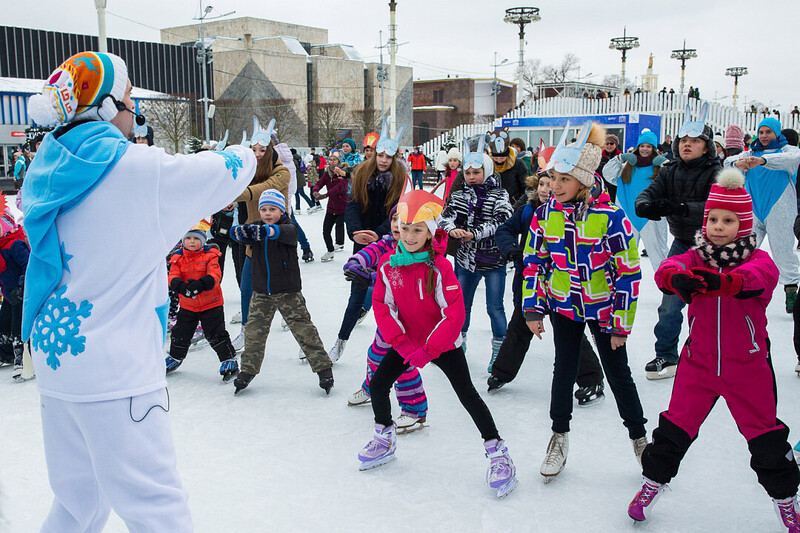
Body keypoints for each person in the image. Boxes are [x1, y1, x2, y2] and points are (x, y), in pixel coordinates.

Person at [23, 51, 256, 532]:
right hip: (115, 369)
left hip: (57, 358)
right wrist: (253, 152)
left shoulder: (45, 170)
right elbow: (225, 172)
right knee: (157, 508)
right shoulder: (133, 169)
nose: (134, 110)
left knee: (77, 502)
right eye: (129, 98)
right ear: (106, 107)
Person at [628, 169, 800, 530]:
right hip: (699, 365)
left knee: (765, 436)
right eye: (713, 219)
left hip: (747, 367)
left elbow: (756, 281)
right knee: (674, 428)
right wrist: (674, 277)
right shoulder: (696, 256)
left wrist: (724, 283)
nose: (719, 226)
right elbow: (669, 268)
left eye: (728, 220)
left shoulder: (759, 261)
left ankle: (786, 499)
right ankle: (652, 483)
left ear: (744, 224)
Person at [358, 179, 518, 499]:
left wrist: (429, 349)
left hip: (442, 344)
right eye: (405, 228)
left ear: (431, 232)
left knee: (467, 395)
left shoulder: (441, 267)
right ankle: (385, 436)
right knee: (377, 385)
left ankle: (498, 453)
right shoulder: (390, 267)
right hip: (407, 342)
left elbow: (454, 314)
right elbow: (383, 307)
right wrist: (404, 345)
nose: (409, 236)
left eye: (418, 230)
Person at [524, 121, 647, 483]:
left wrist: (620, 324)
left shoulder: (610, 217)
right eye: (553, 178)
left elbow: (628, 272)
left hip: (605, 309)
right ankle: (558, 436)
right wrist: (533, 307)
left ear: (585, 180)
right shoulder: (545, 215)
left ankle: (640, 439)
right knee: (564, 369)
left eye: (564, 179)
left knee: (618, 373)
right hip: (564, 305)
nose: (555, 186)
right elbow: (534, 261)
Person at [489, 169, 605, 404]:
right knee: (520, 325)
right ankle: (501, 372)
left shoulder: (568, 211)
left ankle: (592, 379)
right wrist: (512, 250)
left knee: (570, 334)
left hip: (562, 284)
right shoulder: (527, 209)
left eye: (549, 183)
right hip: (531, 280)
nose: (545, 189)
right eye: (541, 184)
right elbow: (503, 231)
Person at [635, 103, 720, 380]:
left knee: (710, 305)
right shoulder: (670, 170)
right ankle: (666, 355)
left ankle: (711, 357)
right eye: (683, 140)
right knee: (670, 301)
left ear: (706, 147)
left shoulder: (716, 172)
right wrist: (646, 205)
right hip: (683, 243)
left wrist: (681, 207)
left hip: (715, 248)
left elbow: (716, 206)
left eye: (694, 141)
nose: (687, 145)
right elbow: (648, 193)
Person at [230, 189, 334, 395]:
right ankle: (248, 370)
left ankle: (323, 369)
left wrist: (269, 232)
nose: (268, 213)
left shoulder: (289, 227)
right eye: (264, 209)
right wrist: (239, 232)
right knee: (254, 333)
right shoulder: (257, 227)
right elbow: (239, 233)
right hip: (261, 292)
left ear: (282, 210)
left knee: (304, 330)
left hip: (288, 291)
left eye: (273, 209)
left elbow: (284, 233)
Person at [344, 206, 429, 433]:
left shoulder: (416, 251)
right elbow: (370, 251)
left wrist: (371, 276)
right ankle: (372, 387)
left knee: (402, 364)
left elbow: (397, 274)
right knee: (375, 356)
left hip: (411, 320)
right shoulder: (386, 243)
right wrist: (355, 262)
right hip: (388, 318)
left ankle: (415, 410)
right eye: (393, 219)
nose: (395, 224)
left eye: (401, 221)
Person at [331, 121, 406, 362]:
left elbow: (399, 212)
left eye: (388, 156)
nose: (383, 160)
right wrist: (355, 232)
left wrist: (381, 233)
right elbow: (352, 205)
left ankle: (395, 350)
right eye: (380, 154)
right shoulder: (362, 172)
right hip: (362, 241)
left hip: (389, 242)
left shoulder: (400, 178)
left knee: (391, 299)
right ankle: (341, 341)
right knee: (356, 296)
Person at [439, 135, 512, 369]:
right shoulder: (459, 195)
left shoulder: (499, 195)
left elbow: (502, 219)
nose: (471, 177)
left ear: (487, 171)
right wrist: (453, 230)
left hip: (493, 260)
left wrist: (474, 233)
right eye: (468, 173)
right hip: (466, 260)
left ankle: (500, 350)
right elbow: (445, 216)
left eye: (476, 172)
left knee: (495, 306)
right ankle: (458, 344)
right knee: (461, 304)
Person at [726, 117, 800, 313]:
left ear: (777, 133)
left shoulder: (787, 151)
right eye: (761, 132)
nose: (764, 136)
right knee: (745, 249)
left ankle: (791, 287)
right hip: (753, 208)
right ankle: (742, 284)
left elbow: (793, 159)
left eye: (768, 132)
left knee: (783, 249)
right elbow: (727, 162)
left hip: (780, 207)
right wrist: (739, 163)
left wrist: (763, 160)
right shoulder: (750, 152)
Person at [232, 118, 290, 352]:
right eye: (253, 150)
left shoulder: (282, 173)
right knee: (247, 289)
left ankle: (295, 322)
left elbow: (261, 190)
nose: (256, 154)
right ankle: (247, 329)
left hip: (278, 240)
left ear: (270, 151)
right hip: (253, 240)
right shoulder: (248, 173)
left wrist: (238, 193)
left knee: (285, 291)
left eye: (262, 150)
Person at [164, 223, 238, 380]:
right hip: (188, 306)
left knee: (216, 333)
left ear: (203, 241)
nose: (192, 242)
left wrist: (201, 285)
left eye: (196, 239)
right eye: (188, 238)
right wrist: (181, 287)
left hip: (211, 304)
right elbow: (173, 276)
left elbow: (215, 275)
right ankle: (175, 357)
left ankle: (228, 359)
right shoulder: (178, 258)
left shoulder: (211, 256)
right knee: (180, 333)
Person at [602, 129, 669, 271]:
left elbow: (674, 181)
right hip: (628, 214)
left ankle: (668, 286)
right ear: (638, 147)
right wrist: (619, 158)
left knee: (660, 255)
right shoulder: (627, 167)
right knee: (624, 256)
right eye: (643, 146)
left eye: (649, 146)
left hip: (651, 217)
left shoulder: (659, 168)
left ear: (654, 149)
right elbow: (607, 174)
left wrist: (666, 164)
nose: (645, 149)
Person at [0, 207, 29, 381]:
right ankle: (5, 353)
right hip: (9, 294)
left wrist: (21, 286)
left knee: (16, 324)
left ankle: (22, 357)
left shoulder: (15, 244)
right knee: (3, 321)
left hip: (21, 294)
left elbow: (29, 266)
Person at [313, 150, 350, 262]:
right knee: (326, 231)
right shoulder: (327, 172)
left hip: (342, 206)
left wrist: (325, 195)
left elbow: (340, 188)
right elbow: (320, 182)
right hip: (331, 207)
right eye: (330, 159)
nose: (332, 161)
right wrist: (315, 190)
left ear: (339, 161)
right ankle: (330, 251)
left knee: (344, 227)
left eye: (334, 159)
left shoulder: (343, 172)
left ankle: (342, 243)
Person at [487, 126, 528, 204]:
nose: (499, 161)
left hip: (513, 203)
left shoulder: (518, 164)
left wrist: (517, 204)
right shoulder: (488, 166)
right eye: (496, 159)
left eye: (502, 158)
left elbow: (525, 187)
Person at [598, 133, 622, 202]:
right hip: (603, 188)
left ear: (615, 145)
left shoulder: (621, 157)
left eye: (611, 143)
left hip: (616, 189)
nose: (609, 145)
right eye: (607, 143)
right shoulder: (599, 157)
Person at [293, 148, 316, 213]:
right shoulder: (299, 158)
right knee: (296, 193)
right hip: (298, 178)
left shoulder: (294, 159)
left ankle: (312, 205)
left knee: (301, 193)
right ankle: (297, 208)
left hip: (298, 179)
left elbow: (294, 168)